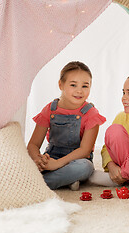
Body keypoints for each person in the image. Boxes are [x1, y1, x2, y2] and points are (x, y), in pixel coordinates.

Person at [27, 61, 106, 190]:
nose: (79, 91)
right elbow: (33, 145)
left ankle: (39, 184)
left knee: (85, 167)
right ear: (61, 85)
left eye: (85, 86)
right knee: (21, 162)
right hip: (52, 157)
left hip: (76, 160)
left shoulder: (91, 114)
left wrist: (57, 164)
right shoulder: (50, 109)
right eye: (73, 85)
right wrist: (39, 160)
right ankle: (67, 179)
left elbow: (84, 150)